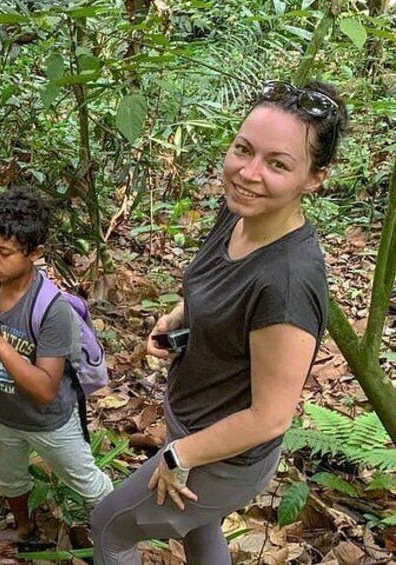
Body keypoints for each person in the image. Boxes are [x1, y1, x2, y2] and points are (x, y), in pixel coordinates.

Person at [90, 80, 348, 564]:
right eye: (243, 150)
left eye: (277, 164)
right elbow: (210, 290)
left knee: (109, 526)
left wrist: (176, 456)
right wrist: (176, 318)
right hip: (194, 422)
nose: (248, 173)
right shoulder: (241, 214)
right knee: (199, 530)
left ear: (314, 178)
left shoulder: (288, 282)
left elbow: (270, 416)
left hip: (222, 459)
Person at [0, 187, 113, 541]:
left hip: (50, 420)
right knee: (10, 478)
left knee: (89, 482)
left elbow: (46, 389)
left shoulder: (52, 310)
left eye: (5, 253)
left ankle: (115, 532)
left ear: (35, 254)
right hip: (0, 412)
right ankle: (25, 528)